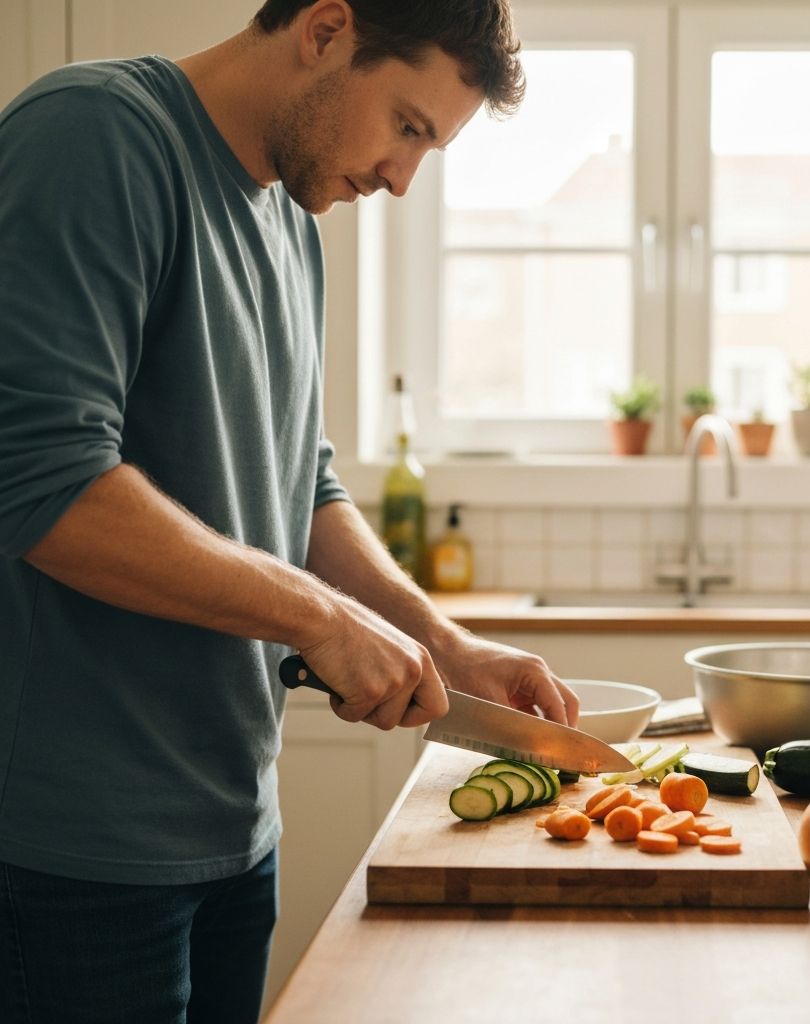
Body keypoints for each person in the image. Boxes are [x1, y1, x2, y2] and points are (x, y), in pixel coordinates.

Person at [0, 2, 578, 1021]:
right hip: (73, 851)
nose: (403, 179)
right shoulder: (93, 136)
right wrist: (318, 620)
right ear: (324, 30)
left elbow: (299, 485)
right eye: (406, 126)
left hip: (231, 825)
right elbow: (44, 482)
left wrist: (439, 641)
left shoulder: (288, 223)